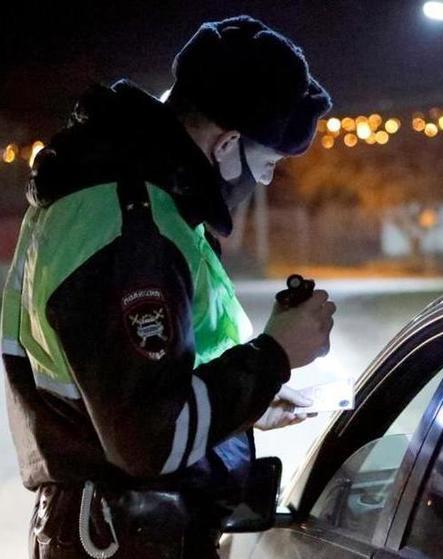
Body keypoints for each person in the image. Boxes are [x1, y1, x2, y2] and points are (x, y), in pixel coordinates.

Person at [0, 14, 334, 558]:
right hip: (123, 536)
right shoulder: (132, 224)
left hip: (115, 529)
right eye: (268, 161)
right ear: (226, 144)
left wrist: (249, 399)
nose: (267, 179)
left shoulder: (132, 200)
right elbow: (149, 441)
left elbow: (146, 386)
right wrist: (275, 355)